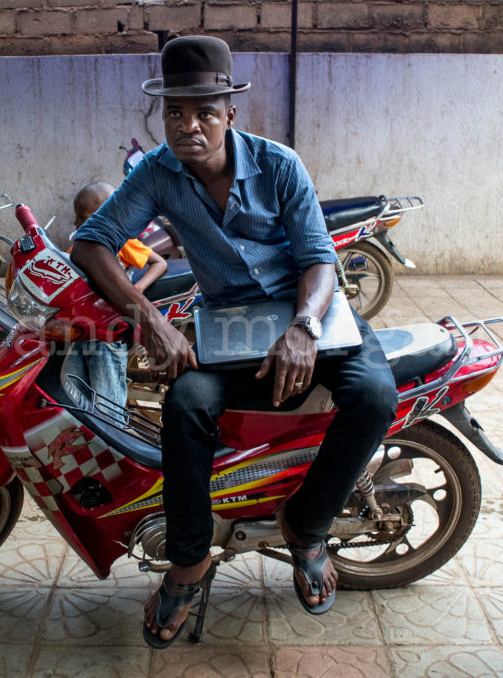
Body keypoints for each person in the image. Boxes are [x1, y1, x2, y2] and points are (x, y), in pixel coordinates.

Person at [70, 35, 397, 648]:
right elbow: (90, 241)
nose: (188, 125)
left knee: (375, 395)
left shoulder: (279, 165)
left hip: (309, 314)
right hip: (231, 325)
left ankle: (305, 526)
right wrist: (149, 317)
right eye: (175, 112)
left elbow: (320, 259)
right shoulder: (158, 174)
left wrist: (302, 328)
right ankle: (189, 559)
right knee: (185, 405)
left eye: (204, 112)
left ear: (230, 115)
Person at [66, 181, 167, 408]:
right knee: (76, 402)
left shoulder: (121, 243)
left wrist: (137, 289)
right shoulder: (77, 250)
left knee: (107, 407)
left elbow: (159, 263)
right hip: (79, 333)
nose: (75, 222)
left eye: (81, 217)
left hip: (107, 335)